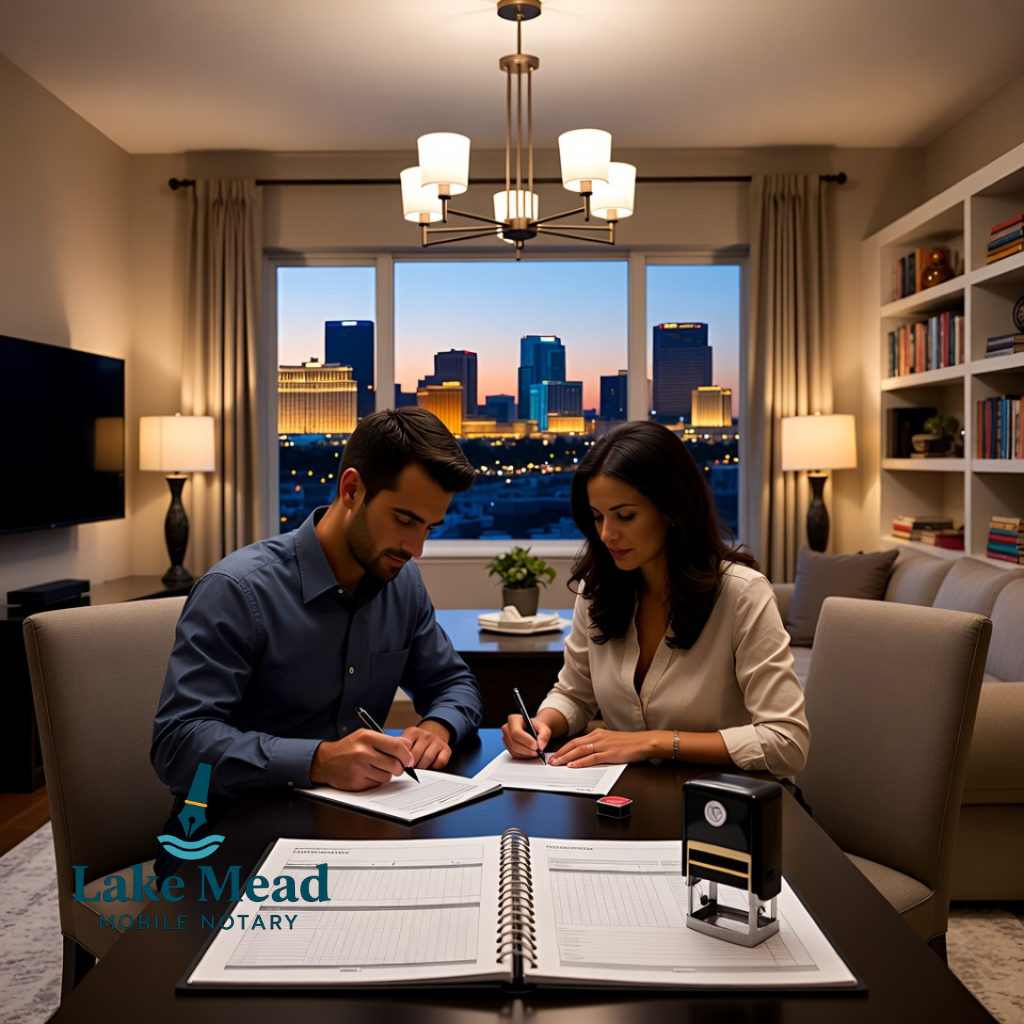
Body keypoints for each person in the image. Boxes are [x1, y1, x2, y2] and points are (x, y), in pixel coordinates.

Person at [152, 407, 483, 807]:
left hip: (358, 821)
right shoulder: (237, 591)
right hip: (232, 828)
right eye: (403, 520)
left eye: (429, 528)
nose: (416, 549)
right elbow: (178, 743)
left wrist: (439, 726)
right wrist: (319, 762)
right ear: (351, 490)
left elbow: (453, 683)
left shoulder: (402, 583)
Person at [502, 420, 809, 778]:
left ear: (672, 509)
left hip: (722, 806)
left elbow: (787, 741)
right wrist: (542, 724)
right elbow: (574, 694)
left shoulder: (741, 594)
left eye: (625, 516)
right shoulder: (597, 591)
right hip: (623, 798)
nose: (606, 534)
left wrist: (654, 742)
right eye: (597, 517)